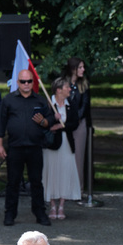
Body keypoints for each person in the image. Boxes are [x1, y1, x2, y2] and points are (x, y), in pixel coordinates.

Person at [0, 69, 54, 227]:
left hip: (35, 147)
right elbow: (0, 123)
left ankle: (40, 213)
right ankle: (10, 214)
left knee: (36, 182)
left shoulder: (40, 100)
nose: (26, 84)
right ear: (17, 82)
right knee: (12, 182)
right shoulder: (8, 100)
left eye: (29, 81)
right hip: (15, 147)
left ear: (33, 82)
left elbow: (50, 120)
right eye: (23, 81)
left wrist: (44, 122)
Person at [43, 77, 81, 220]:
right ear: (59, 90)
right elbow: (42, 123)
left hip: (66, 143)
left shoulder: (71, 103)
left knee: (65, 171)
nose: (70, 89)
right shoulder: (47, 103)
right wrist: (52, 121)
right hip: (51, 144)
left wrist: (60, 126)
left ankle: (62, 205)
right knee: (51, 171)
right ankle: (52, 205)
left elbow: (74, 123)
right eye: (67, 87)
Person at [62, 57, 92, 193]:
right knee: (64, 156)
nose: (83, 70)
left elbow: (85, 104)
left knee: (79, 157)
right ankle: (64, 189)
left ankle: (77, 189)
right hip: (64, 123)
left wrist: (77, 118)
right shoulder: (63, 83)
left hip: (79, 124)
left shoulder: (84, 84)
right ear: (73, 69)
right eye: (80, 67)